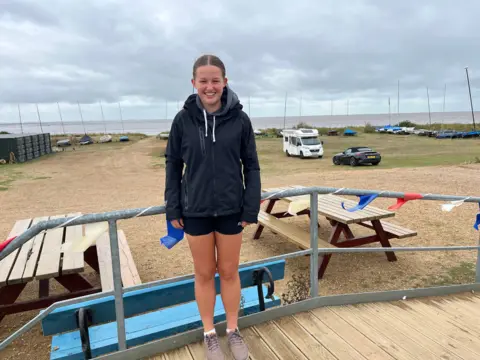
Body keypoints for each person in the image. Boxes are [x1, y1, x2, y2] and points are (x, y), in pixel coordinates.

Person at [164, 54, 261, 360]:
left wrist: (250, 208)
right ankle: (210, 334)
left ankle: (233, 330)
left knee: (230, 272)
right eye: (203, 81)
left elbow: (252, 167)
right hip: (195, 211)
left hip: (232, 209)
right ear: (194, 83)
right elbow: (173, 164)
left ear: (225, 82)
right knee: (204, 273)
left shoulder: (241, 120)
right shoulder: (182, 120)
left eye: (215, 80)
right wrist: (173, 207)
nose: (209, 87)